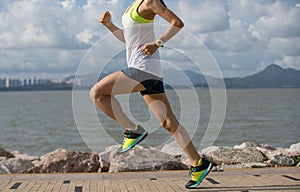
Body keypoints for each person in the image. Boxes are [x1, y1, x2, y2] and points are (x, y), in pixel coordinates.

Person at [90, 0, 212, 189]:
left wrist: (157, 43)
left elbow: (177, 23)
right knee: (168, 123)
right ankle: (198, 163)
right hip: (150, 72)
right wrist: (110, 26)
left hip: (142, 69)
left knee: (97, 93)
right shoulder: (133, 5)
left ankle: (133, 130)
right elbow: (129, 39)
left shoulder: (151, 2)